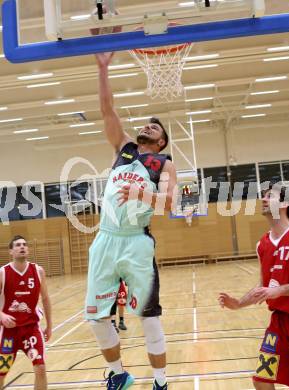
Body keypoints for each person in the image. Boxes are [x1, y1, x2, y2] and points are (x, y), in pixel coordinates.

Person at [85, 48, 177, 390]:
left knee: (149, 318)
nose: (148, 125)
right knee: (96, 317)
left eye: (155, 126)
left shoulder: (164, 164)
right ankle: (119, 373)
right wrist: (102, 67)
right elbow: (107, 110)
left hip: (136, 241)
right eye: (146, 123)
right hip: (105, 238)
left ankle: (160, 382)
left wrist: (142, 195)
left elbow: (169, 204)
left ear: (162, 140)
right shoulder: (124, 149)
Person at [219, 183, 289, 389]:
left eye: (270, 196)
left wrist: (280, 290)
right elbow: (263, 286)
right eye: (264, 196)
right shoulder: (262, 245)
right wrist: (239, 303)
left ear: (285, 203)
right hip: (279, 324)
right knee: (261, 381)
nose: (263, 199)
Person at [0, 235, 52, 390]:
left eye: (24, 244)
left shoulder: (38, 271)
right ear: (11, 251)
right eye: (17, 245)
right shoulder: (3, 273)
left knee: (40, 369)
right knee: (1, 373)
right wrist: (1, 315)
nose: (22, 247)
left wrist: (49, 326)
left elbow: (46, 299)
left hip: (31, 330)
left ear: (28, 249)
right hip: (8, 333)